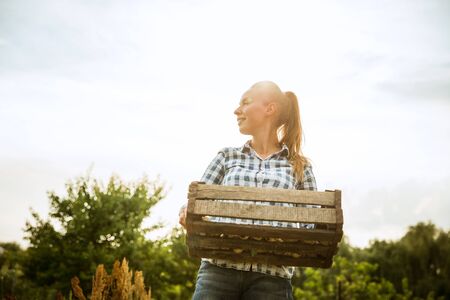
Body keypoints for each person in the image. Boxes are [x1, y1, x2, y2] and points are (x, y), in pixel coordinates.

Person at [179, 81, 317, 300]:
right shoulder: (227, 156)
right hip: (218, 271)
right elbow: (198, 202)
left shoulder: (299, 166)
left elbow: (313, 227)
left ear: (269, 109)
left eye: (245, 102)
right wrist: (188, 213)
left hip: (272, 278)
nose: (236, 110)